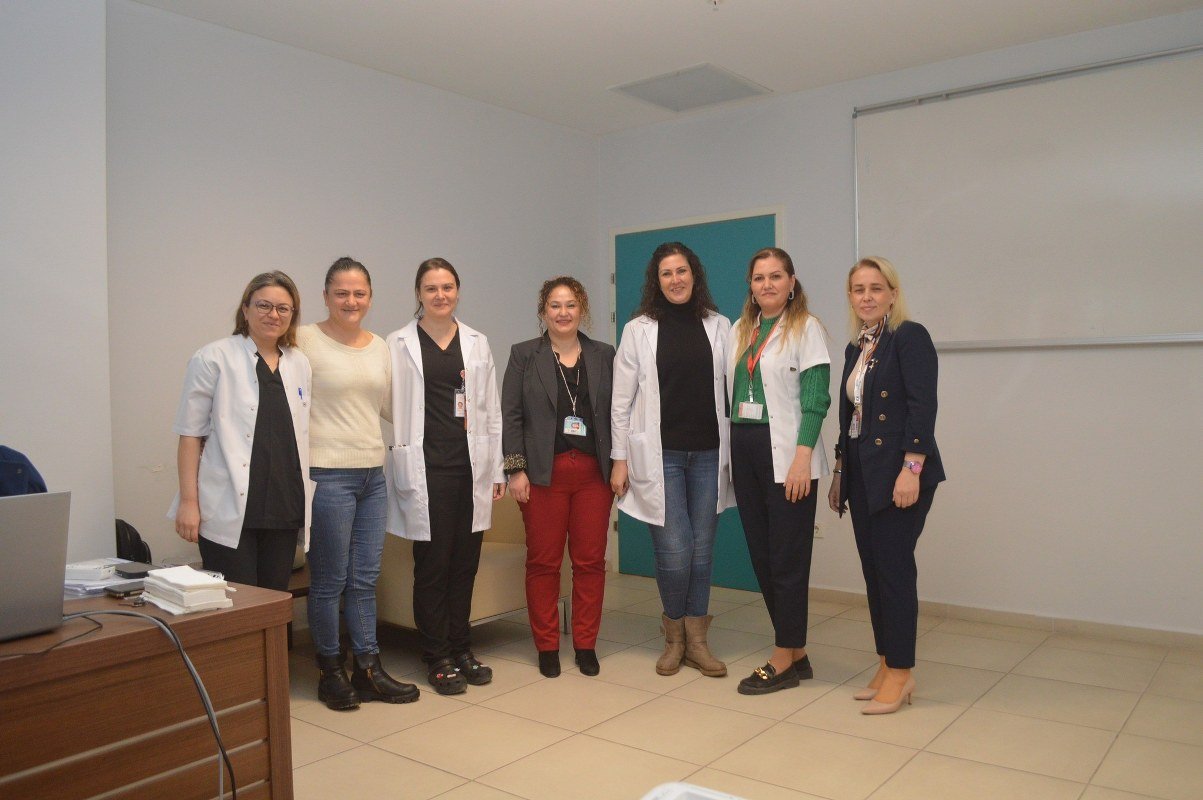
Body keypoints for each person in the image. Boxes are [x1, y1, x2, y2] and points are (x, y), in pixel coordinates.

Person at [297, 257, 418, 711]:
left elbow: (392, 407)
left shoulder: (379, 346)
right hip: (326, 474)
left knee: (364, 579)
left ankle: (367, 669)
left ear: (370, 297)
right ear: (326, 296)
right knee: (330, 580)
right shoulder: (304, 340)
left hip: (372, 475)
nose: (351, 301)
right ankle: (330, 671)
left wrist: (450, 415)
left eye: (359, 293)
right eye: (342, 293)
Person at [611, 242, 735, 678]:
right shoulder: (638, 330)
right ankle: (673, 637)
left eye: (682, 271)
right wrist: (619, 459)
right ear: (656, 281)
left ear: (694, 275)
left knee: (701, 552)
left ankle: (696, 641)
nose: (675, 279)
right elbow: (621, 401)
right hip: (659, 456)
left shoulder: (720, 326)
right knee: (676, 550)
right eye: (667, 273)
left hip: (709, 454)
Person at [828, 256, 945, 715]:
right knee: (874, 572)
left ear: (893, 294)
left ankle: (901, 671)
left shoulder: (909, 337)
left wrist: (911, 469)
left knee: (894, 573)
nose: (867, 297)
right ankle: (885, 663)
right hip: (862, 472)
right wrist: (841, 472)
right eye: (858, 289)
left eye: (876, 288)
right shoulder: (856, 348)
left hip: (900, 473)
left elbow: (922, 407)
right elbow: (850, 418)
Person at [384, 258, 505, 695]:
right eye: (431, 288)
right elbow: (387, 402)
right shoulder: (397, 342)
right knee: (433, 565)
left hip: (470, 467)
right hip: (425, 469)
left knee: (464, 564)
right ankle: (436, 656)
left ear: (457, 291)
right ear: (419, 293)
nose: (440, 295)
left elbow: (490, 408)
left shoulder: (476, 342)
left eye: (447, 287)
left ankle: (461, 648)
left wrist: (497, 468)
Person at [727, 247, 832, 695]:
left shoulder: (806, 328)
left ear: (791, 282)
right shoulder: (740, 330)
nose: (766, 284)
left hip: (789, 454)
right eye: (759, 278)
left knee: (788, 558)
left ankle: (783, 657)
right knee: (763, 556)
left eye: (775, 276)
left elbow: (817, 398)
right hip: (745, 449)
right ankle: (797, 650)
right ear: (750, 286)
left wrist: (802, 459)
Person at [170, 271, 314, 593]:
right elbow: (190, 435)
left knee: (274, 601)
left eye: (283, 308)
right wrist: (189, 502)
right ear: (245, 309)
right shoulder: (213, 358)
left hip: (284, 505)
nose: (273, 314)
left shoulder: (299, 363)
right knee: (237, 603)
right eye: (264, 305)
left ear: (292, 315)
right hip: (228, 505)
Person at [502, 277, 615, 678]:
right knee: (543, 562)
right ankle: (547, 645)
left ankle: (585, 644)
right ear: (543, 311)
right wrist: (515, 469)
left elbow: (618, 413)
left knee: (590, 562)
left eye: (570, 305)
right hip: (542, 475)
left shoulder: (604, 355)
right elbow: (511, 415)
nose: (563, 312)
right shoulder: (524, 355)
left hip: (593, 476)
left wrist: (621, 463)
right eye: (555, 305)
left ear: (582, 309)